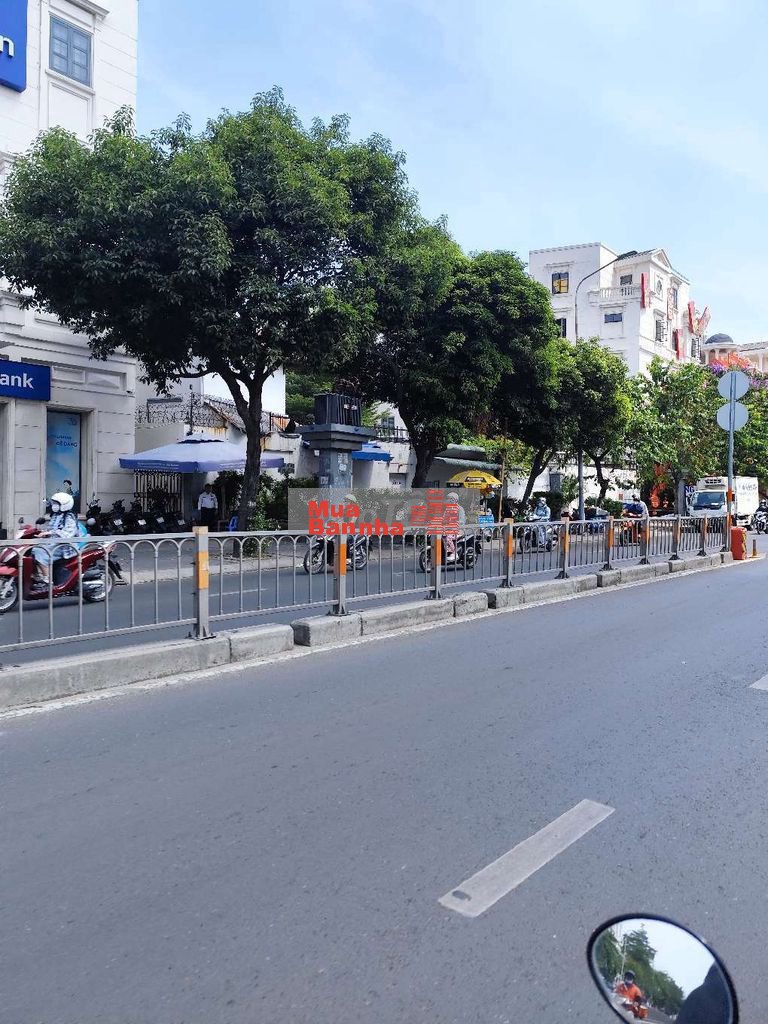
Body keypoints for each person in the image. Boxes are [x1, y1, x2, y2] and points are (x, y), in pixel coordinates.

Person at [31, 491, 80, 589]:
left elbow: (67, 534)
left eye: (56, 503)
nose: (54, 505)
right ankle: (37, 576)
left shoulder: (69, 517)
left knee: (39, 552)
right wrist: (42, 533)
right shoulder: (55, 515)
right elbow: (50, 529)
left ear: (64, 504)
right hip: (54, 544)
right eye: (54, 503)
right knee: (31, 550)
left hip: (65, 547)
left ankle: (47, 581)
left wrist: (50, 533)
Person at [444, 491, 466, 561]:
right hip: (448, 530)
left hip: (459, 530)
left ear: (455, 500)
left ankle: (454, 553)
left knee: (448, 538)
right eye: (448, 498)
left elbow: (462, 521)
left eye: (450, 499)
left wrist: (453, 523)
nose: (448, 500)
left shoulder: (460, 509)